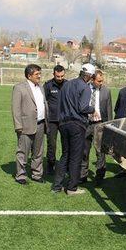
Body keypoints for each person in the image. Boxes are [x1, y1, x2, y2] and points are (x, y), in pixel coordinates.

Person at [52, 63, 96, 195]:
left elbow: (59, 104)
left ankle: (56, 186)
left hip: (64, 124)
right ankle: (71, 188)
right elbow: (83, 108)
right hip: (77, 125)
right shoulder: (86, 88)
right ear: (89, 76)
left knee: (65, 154)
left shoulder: (66, 85)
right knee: (76, 157)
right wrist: (93, 109)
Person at [11, 64, 48, 185]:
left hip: (41, 124)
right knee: (23, 152)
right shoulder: (19, 88)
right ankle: (20, 175)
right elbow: (15, 109)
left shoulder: (40, 87)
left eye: (40, 73)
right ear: (29, 75)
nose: (39, 76)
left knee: (38, 152)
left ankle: (37, 174)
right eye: (37, 74)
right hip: (25, 126)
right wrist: (18, 126)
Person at [80, 70, 113, 186]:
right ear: (92, 79)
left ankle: (99, 177)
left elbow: (109, 110)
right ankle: (82, 176)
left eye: (102, 80)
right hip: (86, 124)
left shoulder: (106, 91)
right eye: (99, 81)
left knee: (100, 152)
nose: (101, 83)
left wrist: (109, 126)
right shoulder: (84, 89)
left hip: (100, 125)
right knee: (84, 151)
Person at [43, 65, 66, 174]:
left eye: (62, 76)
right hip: (52, 120)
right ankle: (50, 164)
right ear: (53, 74)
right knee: (51, 144)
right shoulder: (48, 86)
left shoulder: (68, 85)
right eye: (58, 76)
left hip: (65, 120)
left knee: (66, 143)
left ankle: (65, 165)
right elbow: (43, 102)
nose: (60, 78)